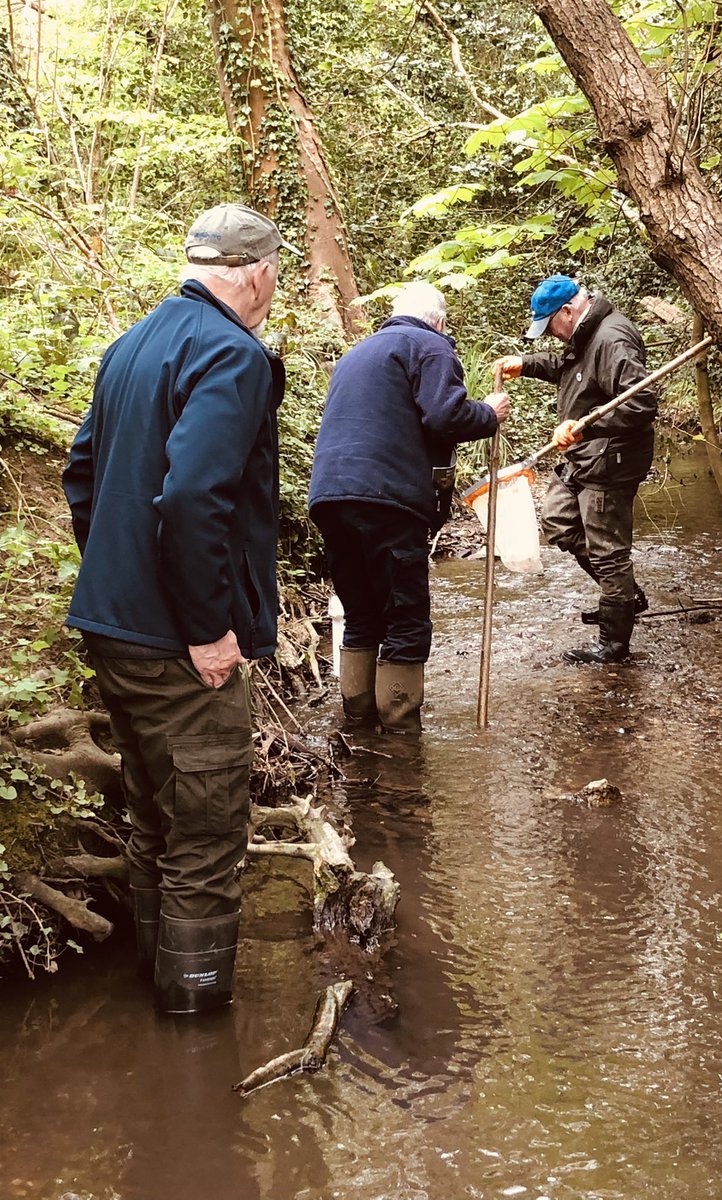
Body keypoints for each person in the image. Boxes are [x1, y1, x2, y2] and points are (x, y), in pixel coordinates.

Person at [62, 202, 291, 1014]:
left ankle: (155, 1001)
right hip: (175, 640)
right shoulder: (233, 355)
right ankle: (193, 1039)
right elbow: (195, 497)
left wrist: (117, 577)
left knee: (155, 818)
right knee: (203, 835)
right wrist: (206, 627)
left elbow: (82, 475)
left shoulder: (131, 344)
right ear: (258, 273)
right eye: (276, 276)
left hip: (113, 626)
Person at [308, 281, 510, 732]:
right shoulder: (430, 346)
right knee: (405, 617)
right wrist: (489, 413)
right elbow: (445, 417)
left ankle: (358, 726)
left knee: (361, 614)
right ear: (439, 321)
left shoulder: (358, 353)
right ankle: (400, 738)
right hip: (387, 499)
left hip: (330, 496)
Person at [494, 274, 657, 664]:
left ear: (568, 311)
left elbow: (641, 403)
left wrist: (585, 425)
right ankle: (622, 593)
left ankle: (613, 644)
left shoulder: (613, 338)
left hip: (610, 459)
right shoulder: (584, 335)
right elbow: (569, 367)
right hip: (584, 456)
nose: (550, 334)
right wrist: (526, 365)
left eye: (550, 325)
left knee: (608, 554)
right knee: (558, 521)